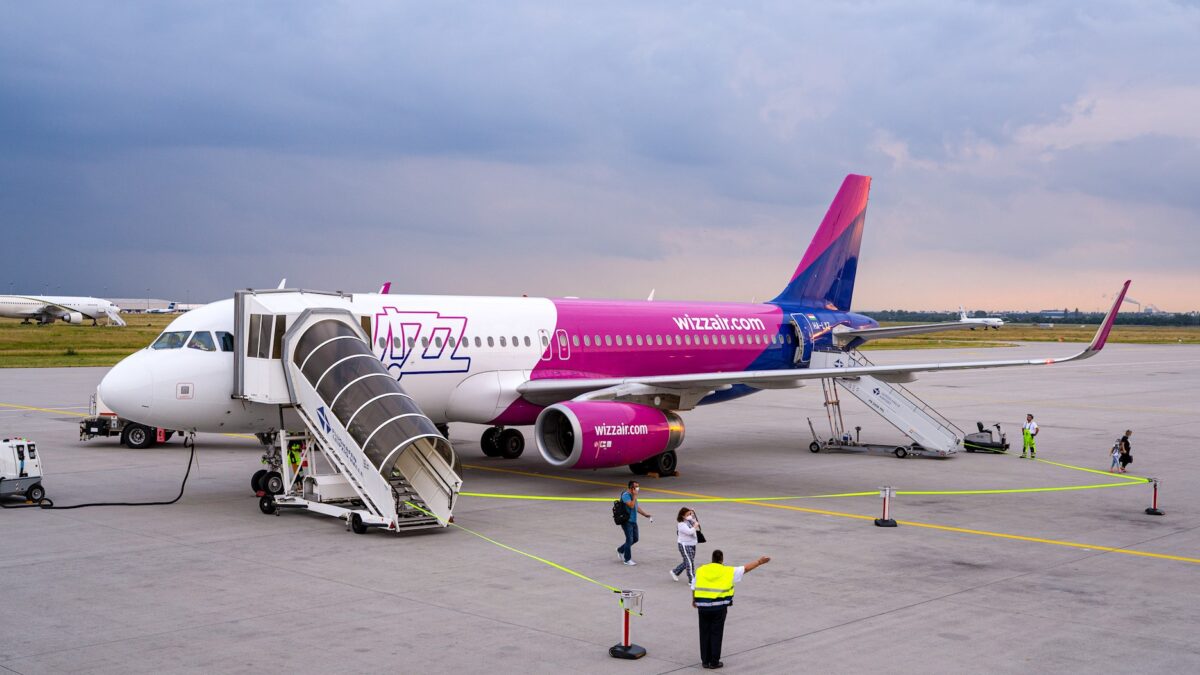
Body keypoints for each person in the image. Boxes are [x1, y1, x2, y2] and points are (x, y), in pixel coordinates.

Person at [691, 549, 770, 669]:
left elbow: (693, 586)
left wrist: (694, 600)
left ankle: (705, 661)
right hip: (719, 608)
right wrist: (759, 562)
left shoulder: (701, 570)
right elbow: (745, 568)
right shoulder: (728, 571)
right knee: (716, 633)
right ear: (722, 559)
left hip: (703, 607)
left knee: (704, 632)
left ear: (712, 559)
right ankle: (714, 662)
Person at [616, 480, 652, 565]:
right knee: (629, 540)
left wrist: (645, 514)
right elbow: (631, 505)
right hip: (627, 521)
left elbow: (636, 507)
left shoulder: (633, 495)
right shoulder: (626, 496)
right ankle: (627, 560)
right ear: (631, 488)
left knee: (635, 539)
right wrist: (635, 495)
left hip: (633, 521)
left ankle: (620, 550)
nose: (638, 488)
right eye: (636, 487)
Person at [671, 507, 701, 583]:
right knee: (690, 562)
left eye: (690, 514)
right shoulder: (681, 524)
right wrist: (695, 526)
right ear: (683, 516)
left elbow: (695, 520)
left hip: (692, 544)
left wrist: (693, 513)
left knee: (688, 561)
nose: (689, 516)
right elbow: (689, 532)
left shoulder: (689, 520)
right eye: (688, 514)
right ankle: (692, 580)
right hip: (685, 545)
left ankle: (675, 572)